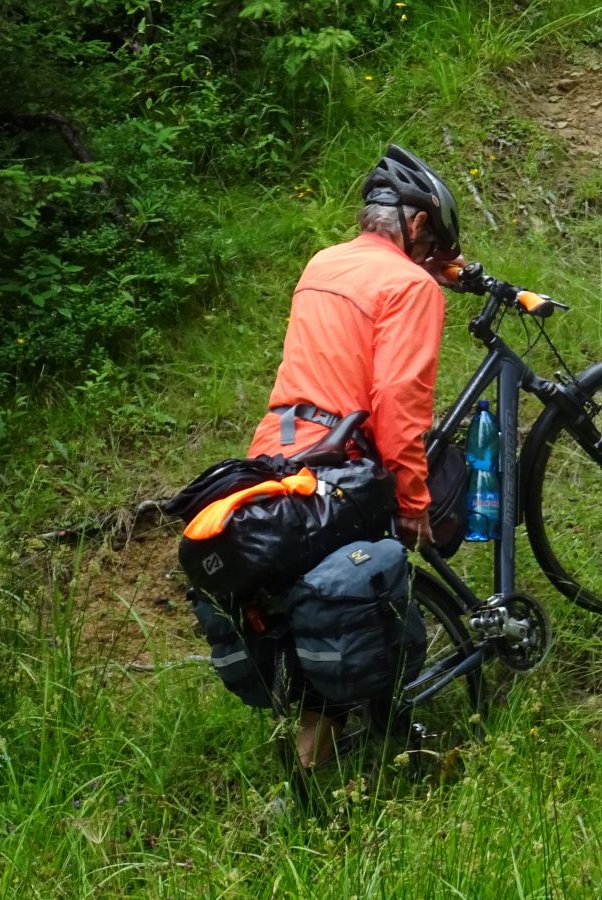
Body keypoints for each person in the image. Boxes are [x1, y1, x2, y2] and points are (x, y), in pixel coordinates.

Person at [246, 145, 463, 769]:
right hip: (342, 463)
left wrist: (444, 268)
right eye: (432, 245)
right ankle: (380, 743)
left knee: (318, 603)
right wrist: (413, 500)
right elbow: (398, 400)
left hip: (276, 454)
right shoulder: (409, 285)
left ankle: (318, 764)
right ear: (418, 225)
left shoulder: (324, 262)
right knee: (368, 591)